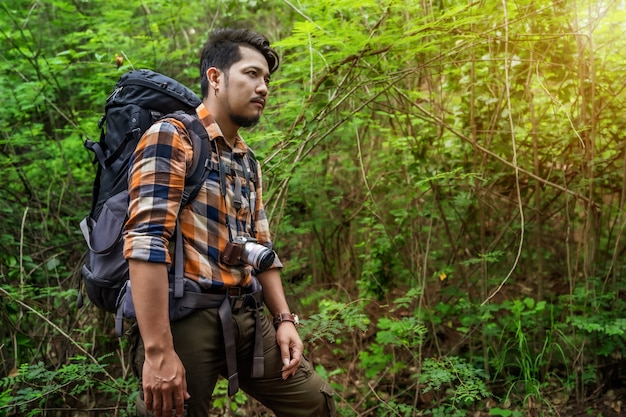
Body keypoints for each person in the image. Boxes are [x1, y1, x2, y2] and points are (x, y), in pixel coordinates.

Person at [123, 28, 336, 417]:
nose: (263, 88)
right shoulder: (173, 137)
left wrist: (284, 319)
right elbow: (145, 243)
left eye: (267, 80)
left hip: (248, 315)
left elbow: (262, 248)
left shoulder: (247, 159)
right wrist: (158, 352)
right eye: (251, 74)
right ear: (216, 78)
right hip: (186, 318)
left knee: (316, 404)